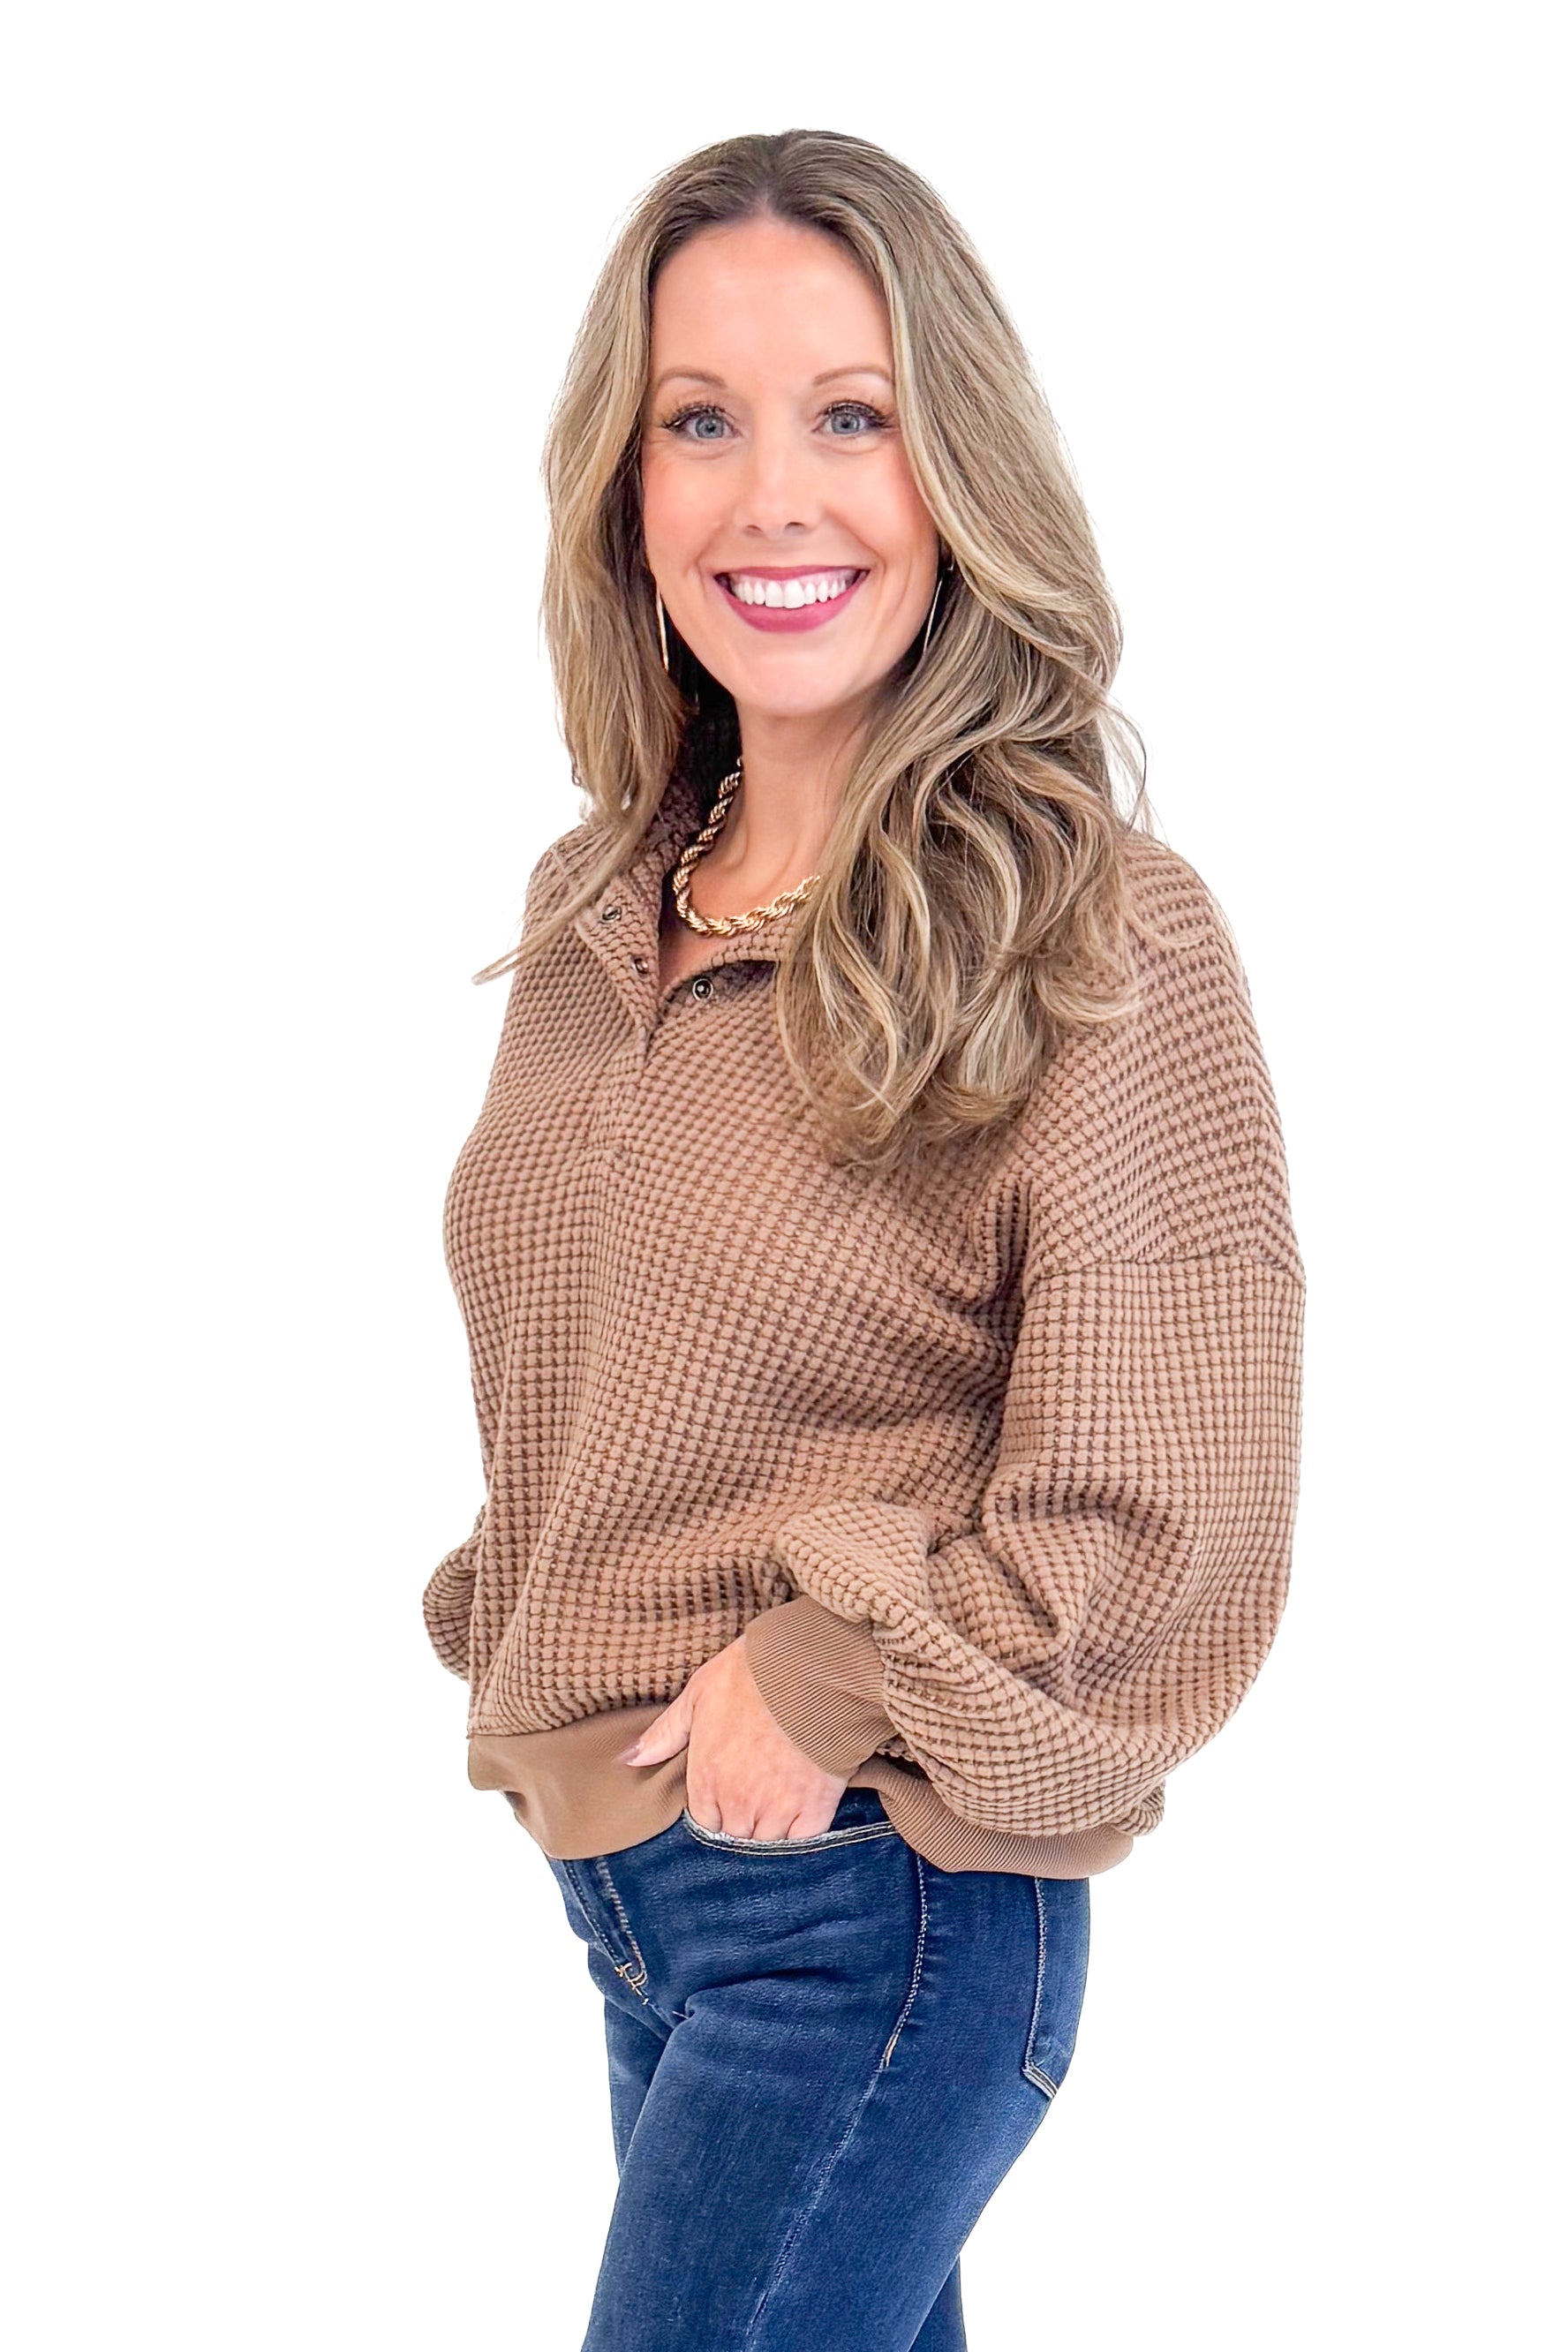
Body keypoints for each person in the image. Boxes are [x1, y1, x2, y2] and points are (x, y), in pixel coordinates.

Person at [422, 127, 1306, 2352]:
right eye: (700, 420)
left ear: (957, 465)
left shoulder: (1097, 931)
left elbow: (1172, 1482)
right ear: (626, 487)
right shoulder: (598, 909)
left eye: (852, 415)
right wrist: (528, 1630)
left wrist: (824, 1679)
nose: (772, 498)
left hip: (870, 1909)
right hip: (634, 1902)